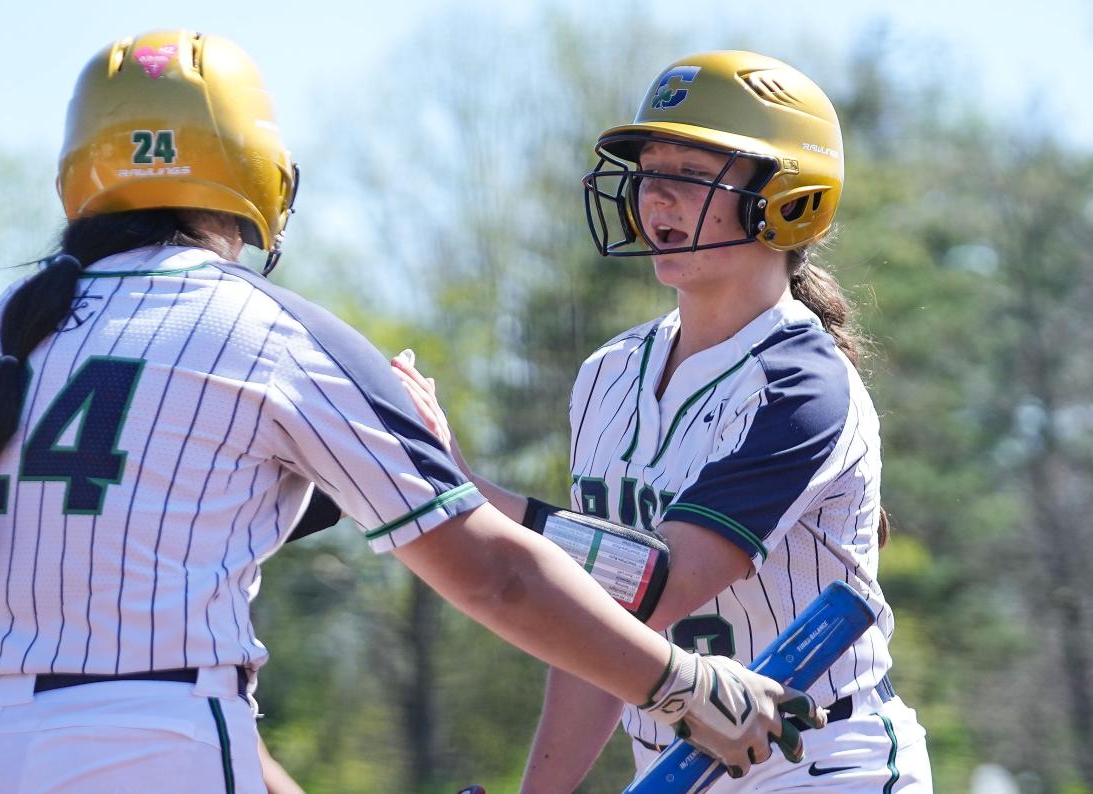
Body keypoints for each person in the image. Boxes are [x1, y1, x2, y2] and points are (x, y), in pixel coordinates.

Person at [0, 33, 822, 793]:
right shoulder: (270, 330)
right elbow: (494, 576)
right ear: (257, 169)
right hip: (150, 745)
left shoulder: (11, 329)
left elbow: (154, 590)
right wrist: (679, 684)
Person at [393, 50, 933, 791]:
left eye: (689, 171)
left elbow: (662, 583)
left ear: (788, 197)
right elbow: (594, 627)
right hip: (669, 766)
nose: (655, 197)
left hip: (820, 761)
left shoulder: (804, 384)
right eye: (649, 170)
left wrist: (463, 488)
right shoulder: (608, 373)